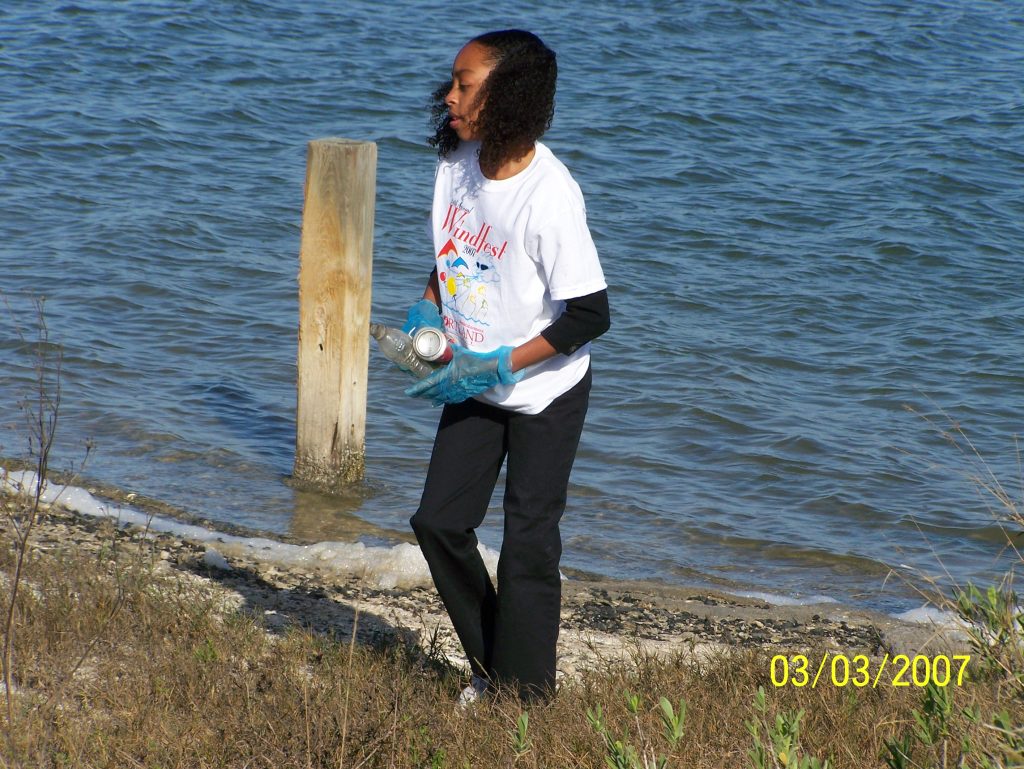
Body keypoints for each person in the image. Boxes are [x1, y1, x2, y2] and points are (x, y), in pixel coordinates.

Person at [403, 29, 610, 704]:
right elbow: (451, 250)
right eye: (453, 81)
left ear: (508, 98)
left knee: (527, 548)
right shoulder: (457, 161)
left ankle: (526, 699)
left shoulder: (550, 195)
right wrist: (428, 307)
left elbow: (588, 315)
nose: (449, 95)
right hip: (470, 377)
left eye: (465, 85)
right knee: (438, 522)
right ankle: (497, 668)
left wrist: (499, 364)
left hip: (545, 391)